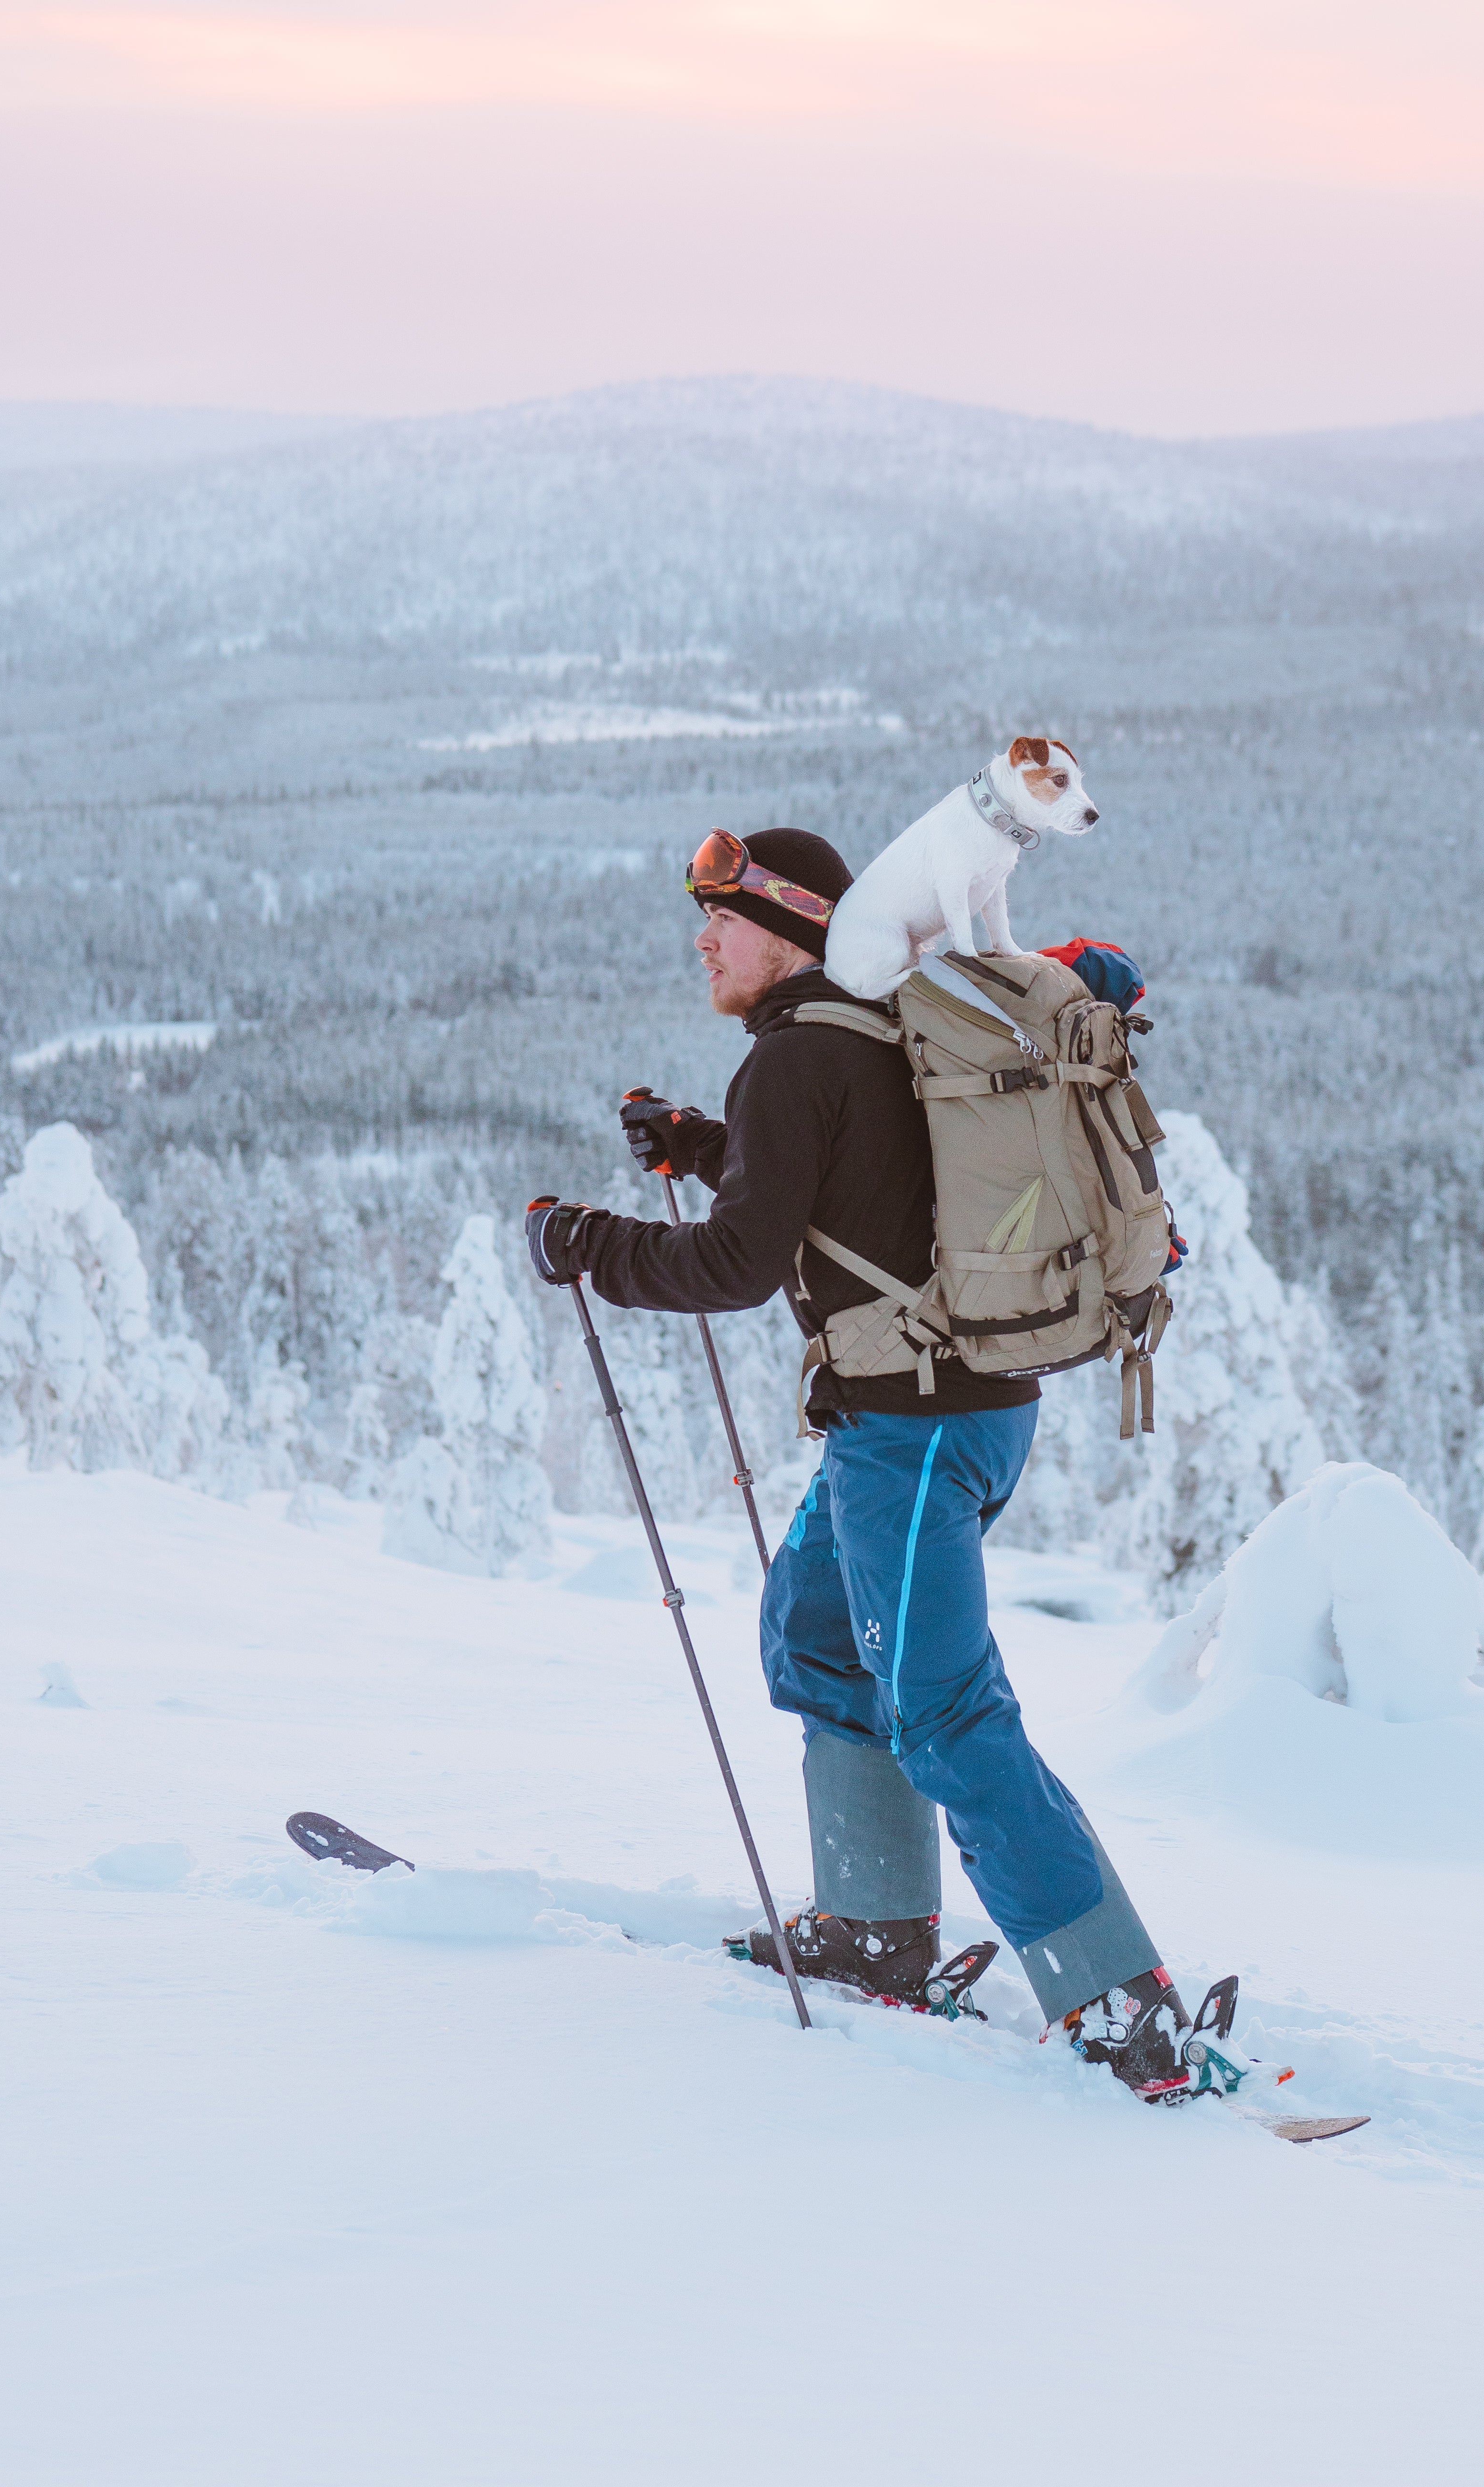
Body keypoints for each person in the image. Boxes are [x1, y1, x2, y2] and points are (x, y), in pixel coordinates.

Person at [526, 826, 1201, 2097]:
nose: (701, 937)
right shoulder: (882, 1026)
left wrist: (587, 1245)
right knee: (819, 1640)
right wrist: (707, 1149)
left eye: (720, 915)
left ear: (785, 927)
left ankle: (1125, 2010)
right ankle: (878, 1932)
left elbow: (734, 1266)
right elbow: (868, 1191)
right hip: (955, 1414)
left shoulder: (796, 1060)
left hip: (917, 1426)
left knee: (945, 1715)